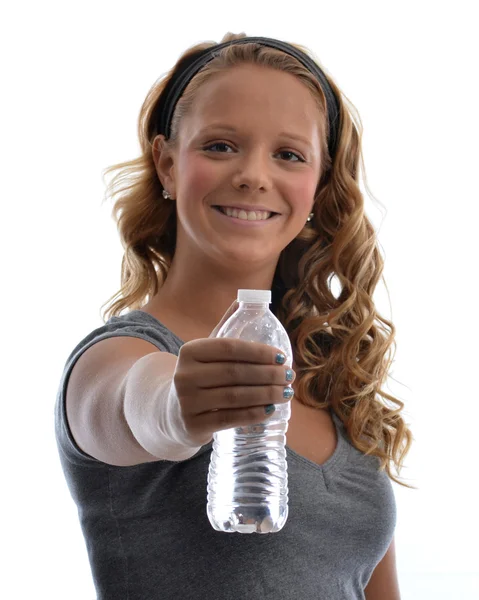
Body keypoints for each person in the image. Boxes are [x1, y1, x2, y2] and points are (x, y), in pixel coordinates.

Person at [54, 32, 413, 600]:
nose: (252, 174)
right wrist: (176, 408)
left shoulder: (330, 375)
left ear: (318, 187)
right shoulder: (116, 356)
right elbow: (131, 403)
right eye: (220, 146)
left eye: (288, 155)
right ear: (168, 165)